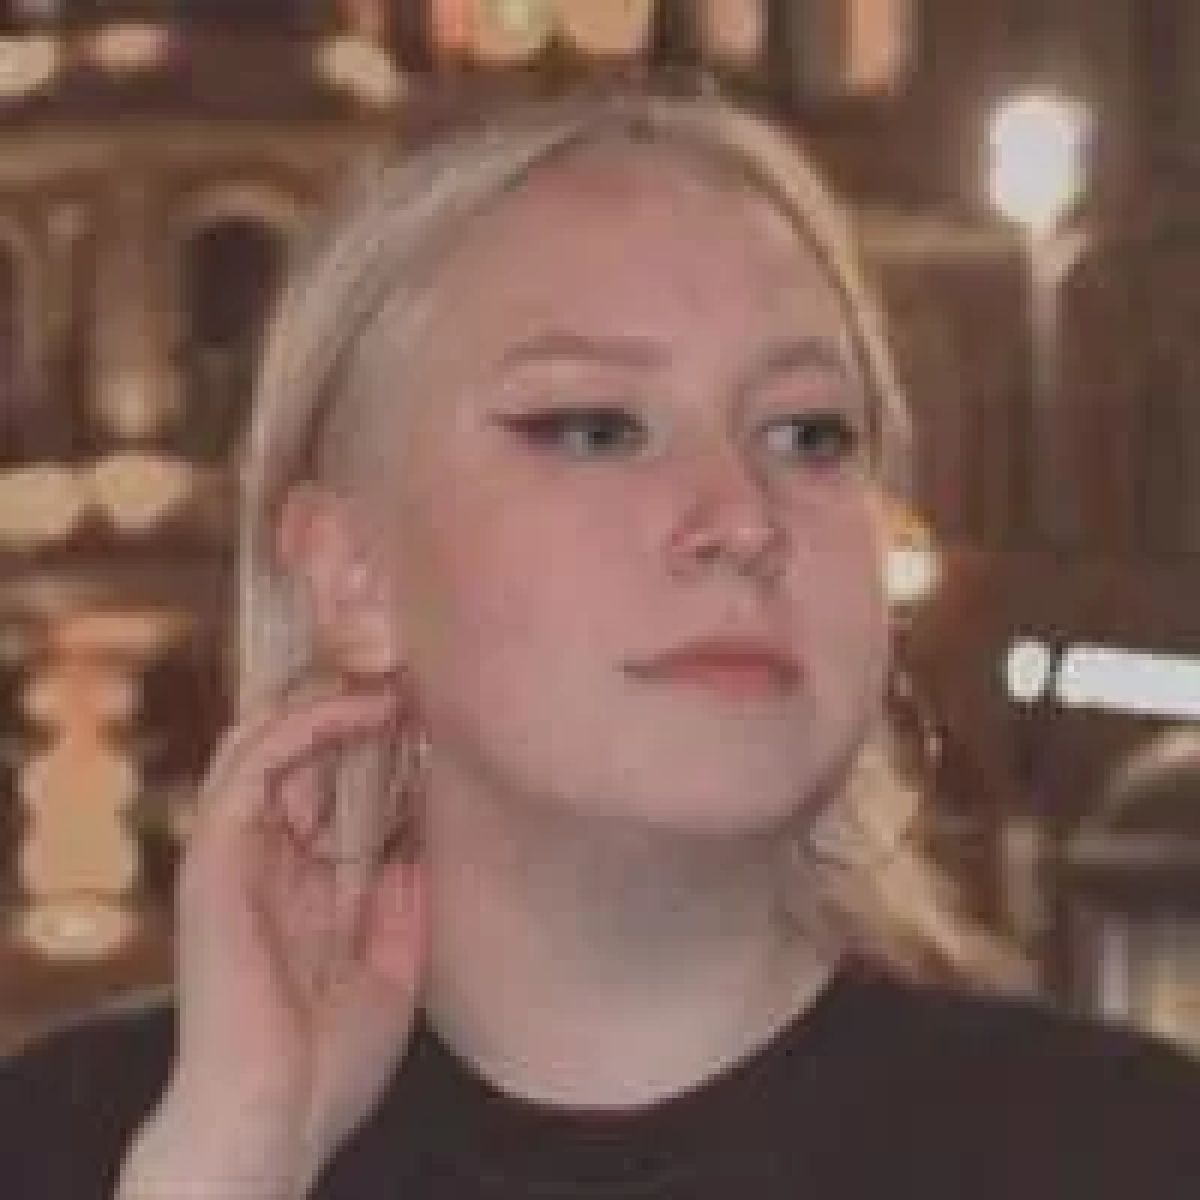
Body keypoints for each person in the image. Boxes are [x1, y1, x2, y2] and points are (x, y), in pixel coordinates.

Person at [1, 82, 1197, 1200]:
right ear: (350, 572)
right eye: (593, 428)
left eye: (809, 434)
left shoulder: (1132, 1150)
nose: (741, 518)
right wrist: (228, 1161)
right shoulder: (80, 1146)